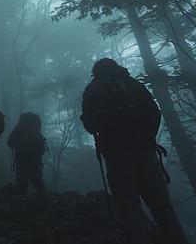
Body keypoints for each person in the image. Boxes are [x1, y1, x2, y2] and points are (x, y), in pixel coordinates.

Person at [81, 58, 188, 244]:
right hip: (145, 152)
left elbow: (89, 123)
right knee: (162, 208)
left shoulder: (93, 89)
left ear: (96, 72)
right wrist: (147, 138)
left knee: (129, 208)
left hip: (115, 155)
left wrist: (103, 132)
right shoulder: (134, 85)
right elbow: (154, 112)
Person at [7, 112, 48, 195]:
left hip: (21, 160)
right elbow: (42, 149)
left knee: (21, 185)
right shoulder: (36, 130)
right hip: (35, 160)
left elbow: (10, 142)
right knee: (38, 183)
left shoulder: (19, 127)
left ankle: (22, 204)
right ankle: (46, 201)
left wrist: (17, 145)